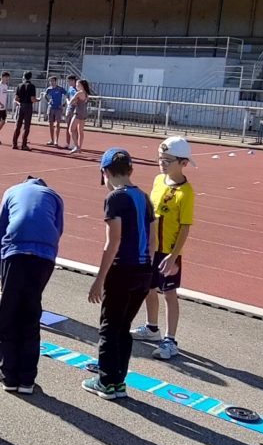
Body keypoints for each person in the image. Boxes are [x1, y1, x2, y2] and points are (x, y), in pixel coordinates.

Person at [83, 148, 155, 400]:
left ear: (106, 172)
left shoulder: (115, 199)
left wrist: (99, 279)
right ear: (131, 171)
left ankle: (105, 381)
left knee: (109, 327)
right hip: (144, 270)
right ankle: (119, 381)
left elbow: (113, 242)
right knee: (124, 327)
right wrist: (149, 271)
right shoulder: (145, 198)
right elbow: (153, 240)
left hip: (121, 270)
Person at [0, 175, 64, 393]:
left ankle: (9, 377)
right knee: (30, 316)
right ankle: (27, 380)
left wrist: (1, 272)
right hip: (44, 257)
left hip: (15, 252)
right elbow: (58, 230)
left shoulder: (11, 191)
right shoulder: (54, 196)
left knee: (4, 320)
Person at [132, 135, 195, 361]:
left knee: (169, 293)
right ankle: (152, 328)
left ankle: (171, 339)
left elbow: (185, 228)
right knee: (149, 288)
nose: (162, 163)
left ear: (183, 163)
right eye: (160, 158)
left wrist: (173, 256)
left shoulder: (186, 193)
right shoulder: (159, 180)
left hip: (169, 252)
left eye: (168, 160)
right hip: (151, 248)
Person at [64, 77, 92, 154]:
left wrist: (69, 100)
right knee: (80, 131)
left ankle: (77, 146)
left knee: (71, 129)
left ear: (81, 85)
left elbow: (70, 102)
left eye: (77, 84)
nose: (76, 86)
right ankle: (79, 147)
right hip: (84, 113)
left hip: (78, 112)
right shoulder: (86, 93)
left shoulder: (79, 93)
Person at [11, 71, 37, 150]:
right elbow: (32, 99)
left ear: (24, 76)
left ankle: (14, 143)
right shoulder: (32, 86)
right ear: (31, 77)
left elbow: (16, 98)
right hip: (28, 106)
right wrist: (38, 100)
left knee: (18, 125)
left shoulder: (19, 85)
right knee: (26, 126)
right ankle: (24, 145)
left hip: (21, 105)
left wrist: (20, 102)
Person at [43, 75, 69, 147]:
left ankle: (56, 141)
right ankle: (51, 140)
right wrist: (48, 101)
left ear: (56, 81)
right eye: (50, 81)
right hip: (51, 108)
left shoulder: (60, 89)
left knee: (57, 124)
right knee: (50, 124)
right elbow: (45, 95)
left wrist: (64, 104)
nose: (51, 82)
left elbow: (67, 95)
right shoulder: (49, 89)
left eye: (53, 81)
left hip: (58, 108)